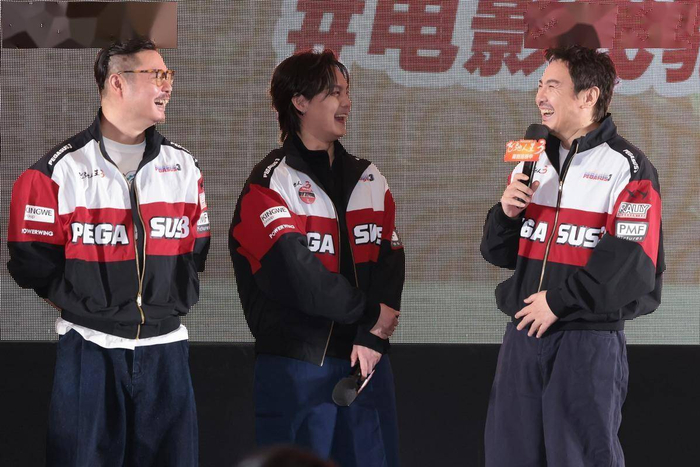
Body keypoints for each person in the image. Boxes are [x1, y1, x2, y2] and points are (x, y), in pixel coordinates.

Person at [7, 37, 210, 466]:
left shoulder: (185, 167)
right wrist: (88, 306)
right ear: (117, 83)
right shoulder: (55, 172)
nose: (168, 84)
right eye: (157, 74)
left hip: (167, 352)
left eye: (168, 75)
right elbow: (31, 262)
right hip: (89, 349)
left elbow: (195, 253)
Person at [480, 45, 664, 466]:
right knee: (509, 456)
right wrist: (506, 214)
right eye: (539, 86)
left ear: (588, 96)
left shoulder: (629, 167)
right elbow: (497, 252)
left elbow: (631, 263)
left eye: (552, 86)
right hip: (524, 334)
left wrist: (559, 301)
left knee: (579, 457)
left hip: (586, 341)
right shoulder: (531, 157)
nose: (540, 96)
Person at [229, 49, 405, 467]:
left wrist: (373, 336)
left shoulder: (369, 177)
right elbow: (297, 277)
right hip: (297, 367)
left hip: (366, 363)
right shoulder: (268, 184)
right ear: (300, 101)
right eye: (334, 93)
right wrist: (371, 314)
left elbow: (390, 261)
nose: (347, 103)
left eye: (347, 92)